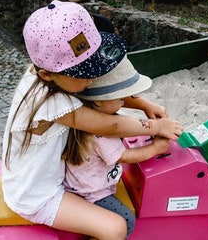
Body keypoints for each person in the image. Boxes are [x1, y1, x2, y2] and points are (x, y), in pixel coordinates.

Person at [1, 0, 183, 240]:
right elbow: (110, 125)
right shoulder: (49, 102)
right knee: (116, 228)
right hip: (36, 195)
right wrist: (157, 126)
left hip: (49, 178)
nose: (92, 78)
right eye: (84, 73)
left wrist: (142, 103)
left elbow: (100, 95)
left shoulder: (51, 76)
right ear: (46, 74)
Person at [63, 54, 170, 237]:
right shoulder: (102, 131)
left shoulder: (85, 118)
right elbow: (125, 156)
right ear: (99, 101)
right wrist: (155, 148)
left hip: (79, 182)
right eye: (120, 99)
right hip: (92, 193)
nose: (124, 102)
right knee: (126, 221)